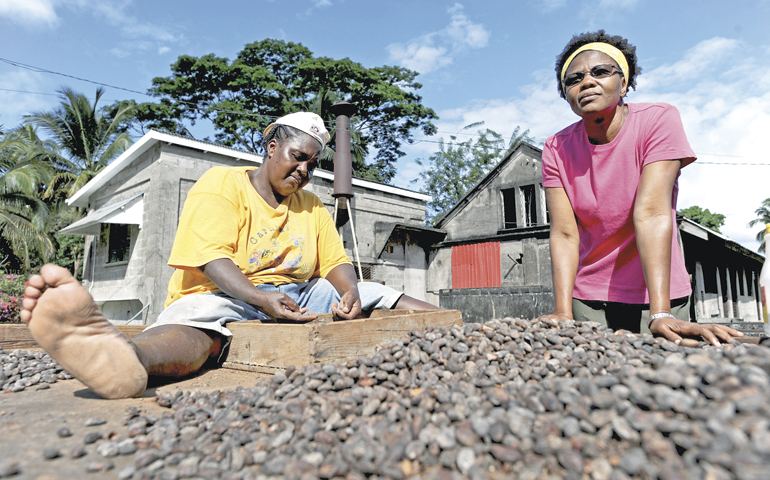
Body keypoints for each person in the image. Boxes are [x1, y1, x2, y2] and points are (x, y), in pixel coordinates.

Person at [21, 112, 437, 399]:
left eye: (312, 164)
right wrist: (258, 299)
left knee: (374, 292)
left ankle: (448, 329)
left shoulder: (311, 205)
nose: (304, 171)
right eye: (297, 157)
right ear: (272, 147)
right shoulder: (221, 184)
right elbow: (210, 258)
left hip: (296, 296)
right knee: (205, 331)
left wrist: (347, 293)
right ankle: (126, 359)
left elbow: (334, 263)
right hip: (224, 293)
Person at [539, 30, 741, 346]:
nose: (587, 82)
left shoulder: (658, 121)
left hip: (657, 291)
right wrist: (563, 311)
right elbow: (565, 233)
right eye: (574, 79)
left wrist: (660, 314)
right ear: (566, 95)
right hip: (591, 296)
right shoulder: (556, 148)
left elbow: (652, 213)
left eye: (601, 72)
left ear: (624, 82)